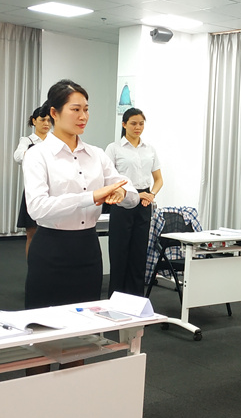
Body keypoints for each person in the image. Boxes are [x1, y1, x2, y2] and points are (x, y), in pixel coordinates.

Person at [23, 80, 138, 309]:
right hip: (51, 249)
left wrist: (121, 192)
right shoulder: (37, 155)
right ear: (54, 113)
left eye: (86, 109)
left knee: (86, 318)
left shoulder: (96, 154)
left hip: (88, 249)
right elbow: (37, 208)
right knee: (45, 321)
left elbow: (133, 196)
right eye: (75, 109)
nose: (83, 116)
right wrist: (91, 197)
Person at [104, 107, 163, 296]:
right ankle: (116, 297)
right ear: (124, 124)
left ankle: (136, 298)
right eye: (133, 123)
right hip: (122, 200)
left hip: (145, 202)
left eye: (141, 124)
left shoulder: (149, 149)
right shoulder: (114, 148)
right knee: (119, 252)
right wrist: (136, 195)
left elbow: (158, 180)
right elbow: (108, 179)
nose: (138, 127)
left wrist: (151, 195)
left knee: (139, 253)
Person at [14, 104, 52, 255]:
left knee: (52, 234)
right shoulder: (27, 140)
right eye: (42, 120)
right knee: (32, 234)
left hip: (53, 191)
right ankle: (32, 265)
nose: (46, 124)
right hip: (33, 190)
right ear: (34, 121)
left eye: (49, 120)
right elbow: (18, 156)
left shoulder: (55, 140)